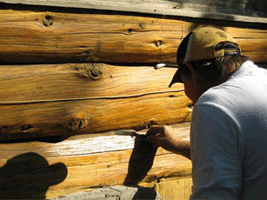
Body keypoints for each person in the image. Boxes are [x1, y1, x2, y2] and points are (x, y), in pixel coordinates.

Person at [146, 27, 267, 199]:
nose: (186, 93)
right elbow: (239, 158)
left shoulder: (214, 103)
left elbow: (213, 195)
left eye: (183, 81)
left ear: (191, 71)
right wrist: (178, 145)